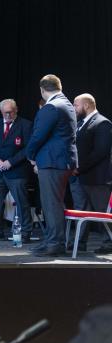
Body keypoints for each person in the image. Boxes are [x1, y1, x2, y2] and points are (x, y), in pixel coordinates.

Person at [26, 74, 77, 257]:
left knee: (51, 204)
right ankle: (51, 240)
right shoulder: (66, 104)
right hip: (60, 161)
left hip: (53, 162)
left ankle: (55, 244)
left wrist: (30, 155)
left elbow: (38, 136)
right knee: (52, 203)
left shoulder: (52, 107)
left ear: (42, 89)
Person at [0, 99, 34, 242]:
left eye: (10, 112)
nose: (8, 115)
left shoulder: (26, 125)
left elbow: (28, 148)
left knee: (21, 202)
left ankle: (25, 232)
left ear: (16, 110)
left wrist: (10, 162)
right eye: (5, 112)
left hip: (17, 171)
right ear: (1, 112)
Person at [70, 93, 112, 254]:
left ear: (86, 105)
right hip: (80, 178)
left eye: (76, 105)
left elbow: (101, 151)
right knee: (81, 211)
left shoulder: (102, 123)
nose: (74, 108)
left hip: (97, 179)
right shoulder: (79, 123)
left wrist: (79, 168)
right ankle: (79, 243)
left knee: (102, 213)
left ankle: (109, 243)